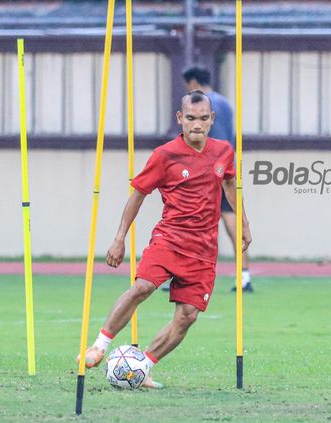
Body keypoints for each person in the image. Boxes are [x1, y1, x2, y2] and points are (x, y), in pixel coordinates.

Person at [77, 90, 252, 387]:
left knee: (187, 316)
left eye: (204, 119)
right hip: (170, 239)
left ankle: (141, 367)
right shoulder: (164, 155)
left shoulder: (223, 151)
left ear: (212, 120)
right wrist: (119, 238)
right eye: (191, 119)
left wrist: (244, 223)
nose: (197, 125)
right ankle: (98, 346)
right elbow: (138, 195)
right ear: (180, 118)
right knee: (142, 287)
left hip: (204, 249)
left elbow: (231, 184)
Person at [182, 66, 254, 292]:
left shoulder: (201, 105)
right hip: (227, 167)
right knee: (231, 218)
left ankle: (184, 274)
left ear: (193, 83)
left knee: (190, 220)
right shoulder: (225, 104)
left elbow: (199, 138)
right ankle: (244, 275)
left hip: (207, 170)